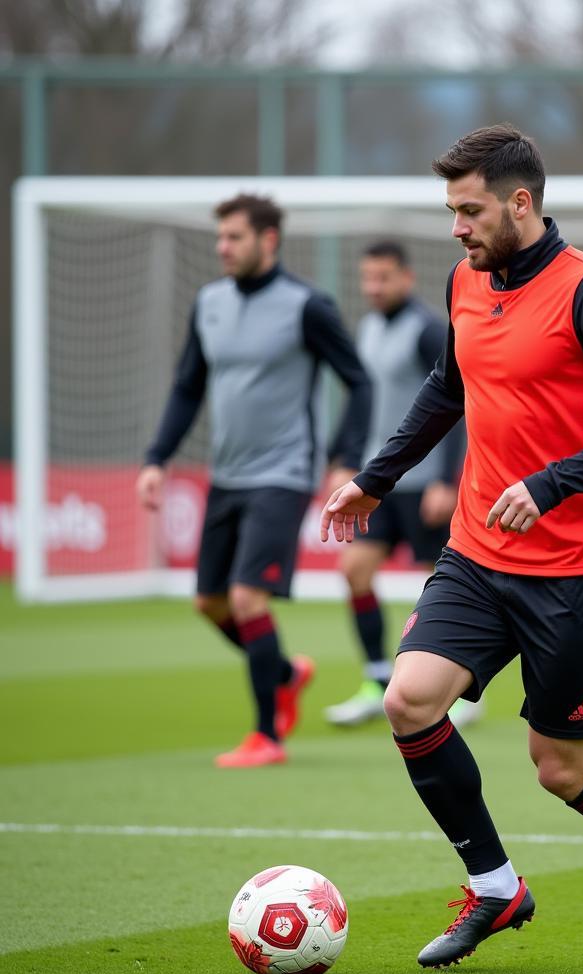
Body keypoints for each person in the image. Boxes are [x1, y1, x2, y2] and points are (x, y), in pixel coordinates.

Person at [321, 124, 583, 970]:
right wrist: (379, 477)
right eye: (450, 211)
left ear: (521, 202)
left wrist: (550, 484)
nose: (458, 227)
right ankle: (497, 885)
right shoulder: (465, 281)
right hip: (477, 552)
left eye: (470, 210)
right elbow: (451, 385)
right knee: (409, 700)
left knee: (560, 767)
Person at [137, 193, 372, 768]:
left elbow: (358, 382)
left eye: (234, 237)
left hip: (284, 474)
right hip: (227, 474)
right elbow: (188, 385)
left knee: (246, 597)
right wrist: (156, 457)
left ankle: (267, 735)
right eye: (220, 237)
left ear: (268, 240)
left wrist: (345, 458)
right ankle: (285, 674)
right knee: (209, 603)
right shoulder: (209, 302)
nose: (223, 247)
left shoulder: (307, 306)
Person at [322, 240, 479, 729]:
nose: (374, 287)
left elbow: (457, 404)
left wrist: (449, 480)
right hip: (381, 482)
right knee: (355, 572)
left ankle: (465, 692)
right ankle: (375, 678)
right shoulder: (367, 329)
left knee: (457, 588)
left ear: (406, 278)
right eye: (368, 278)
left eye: (383, 277)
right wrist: (345, 460)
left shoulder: (428, 330)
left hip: (426, 484)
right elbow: (361, 402)